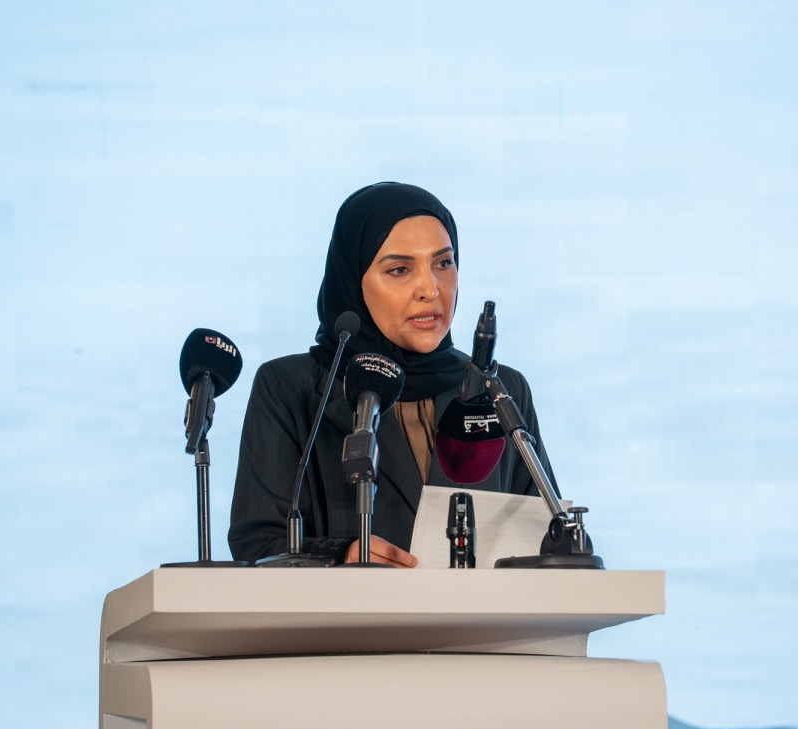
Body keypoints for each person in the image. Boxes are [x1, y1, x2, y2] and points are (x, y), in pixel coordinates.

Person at [228, 182, 556, 566]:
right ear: (352, 280)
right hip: (346, 624)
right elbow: (258, 545)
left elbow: (543, 537)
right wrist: (339, 557)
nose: (430, 290)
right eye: (400, 269)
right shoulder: (290, 388)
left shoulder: (500, 388)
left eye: (443, 263)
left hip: (481, 625)